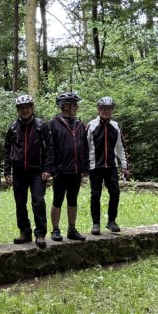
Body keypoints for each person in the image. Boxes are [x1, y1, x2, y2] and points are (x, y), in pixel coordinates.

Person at [2, 94, 55, 248]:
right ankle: (25, 232)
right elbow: (7, 150)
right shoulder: (13, 128)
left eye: (27, 107)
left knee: (38, 202)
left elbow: (50, 148)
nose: (24, 110)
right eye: (21, 108)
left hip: (37, 172)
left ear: (32, 108)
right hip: (19, 172)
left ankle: (40, 234)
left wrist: (48, 168)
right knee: (20, 204)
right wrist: (7, 171)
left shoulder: (41, 126)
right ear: (17, 110)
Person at [47, 91, 88, 242]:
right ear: (65, 106)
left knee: (73, 200)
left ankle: (72, 229)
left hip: (76, 169)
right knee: (58, 200)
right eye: (74, 104)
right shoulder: (53, 124)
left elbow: (84, 147)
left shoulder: (79, 124)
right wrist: (51, 168)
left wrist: (84, 167)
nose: (77, 107)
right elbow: (49, 148)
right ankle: (55, 230)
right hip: (60, 170)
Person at [86, 96, 130, 234]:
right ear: (98, 110)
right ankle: (96, 224)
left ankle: (111, 221)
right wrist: (84, 166)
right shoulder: (91, 126)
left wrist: (125, 166)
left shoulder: (116, 126)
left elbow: (121, 147)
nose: (106, 111)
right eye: (103, 109)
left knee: (115, 193)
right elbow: (84, 147)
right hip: (95, 166)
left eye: (109, 109)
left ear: (112, 110)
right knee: (95, 195)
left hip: (111, 165)